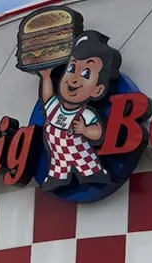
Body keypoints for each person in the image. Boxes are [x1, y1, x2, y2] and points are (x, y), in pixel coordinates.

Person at [31, 30, 122, 190]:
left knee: (88, 166)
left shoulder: (85, 113)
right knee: (58, 167)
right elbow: (47, 98)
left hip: (82, 154)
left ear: (98, 90)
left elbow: (98, 132)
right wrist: (46, 77)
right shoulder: (56, 108)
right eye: (71, 68)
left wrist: (85, 130)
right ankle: (56, 178)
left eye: (86, 73)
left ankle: (94, 174)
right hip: (58, 154)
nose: (74, 78)